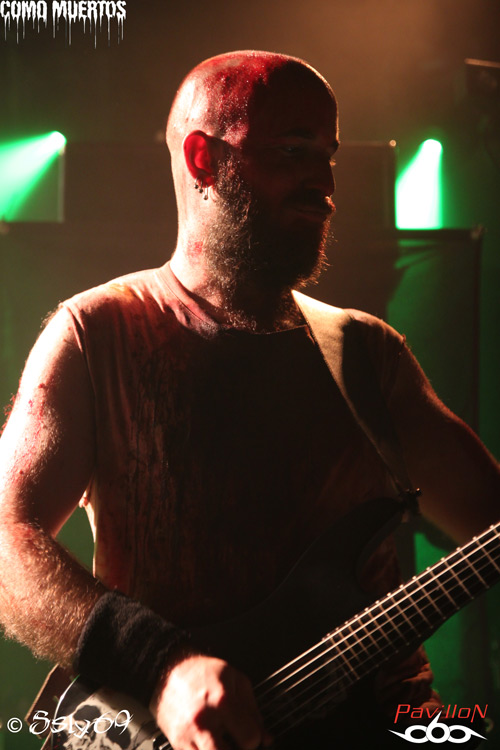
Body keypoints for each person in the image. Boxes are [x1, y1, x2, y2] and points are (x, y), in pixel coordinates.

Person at [0, 50, 499, 750]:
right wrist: (162, 668)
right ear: (203, 159)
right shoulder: (97, 333)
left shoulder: (368, 355)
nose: (326, 184)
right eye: (295, 151)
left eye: (328, 156)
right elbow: (7, 540)